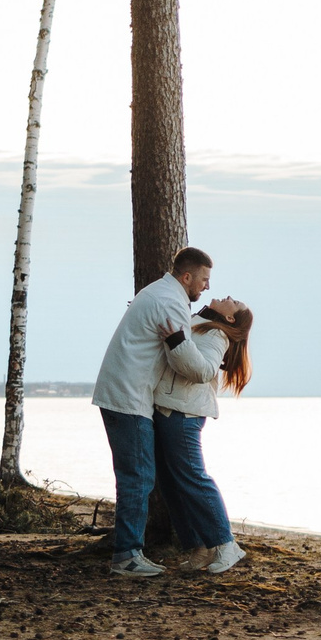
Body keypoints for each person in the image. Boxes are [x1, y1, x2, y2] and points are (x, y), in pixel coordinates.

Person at [91, 246, 213, 577]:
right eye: (204, 279)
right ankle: (127, 556)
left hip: (126, 394)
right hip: (128, 398)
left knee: (139, 475)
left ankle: (129, 551)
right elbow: (184, 361)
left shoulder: (160, 293)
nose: (206, 287)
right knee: (138, 477)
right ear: (187, 276)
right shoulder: (169, 300)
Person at [153, 297, 253, 574]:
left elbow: (204, 370)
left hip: (183, 414)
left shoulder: (216, 334)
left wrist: (175, 339)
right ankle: (200, 548)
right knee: (172, 483)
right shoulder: (201, 323)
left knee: (193, 478)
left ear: (230, 319)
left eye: (234, 302)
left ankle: (225, 544)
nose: (228, 297)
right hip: (169, 409)